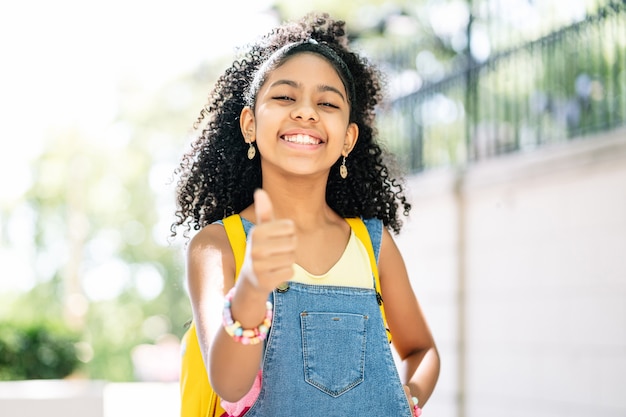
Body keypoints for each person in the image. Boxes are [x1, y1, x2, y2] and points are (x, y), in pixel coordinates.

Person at [172, 12, 440, 417]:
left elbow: (422, 350)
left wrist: (411, 395)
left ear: (348, 138)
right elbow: (228, 383)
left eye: (327, 102)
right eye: (284, 97)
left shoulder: (374, 245)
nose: (306, 112)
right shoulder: (216, 247)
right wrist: (252, 287)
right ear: (249, 123)